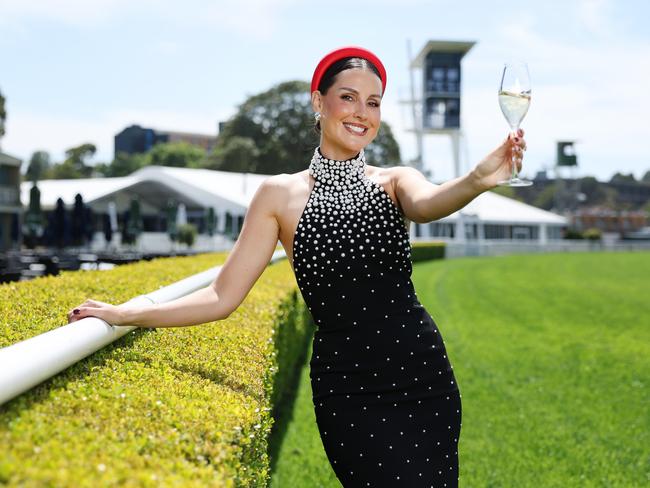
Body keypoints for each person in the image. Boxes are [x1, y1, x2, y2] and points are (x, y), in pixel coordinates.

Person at [68, 46, 527, 487]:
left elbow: (429, 204)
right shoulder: (279, 196)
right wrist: (125, 313)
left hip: (420, 374)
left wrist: (477, 180)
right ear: (318, 102)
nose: (361, 113)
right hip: (347, 390)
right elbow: (220, 297)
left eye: (373, 102)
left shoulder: (396, 180)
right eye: (348, 97)